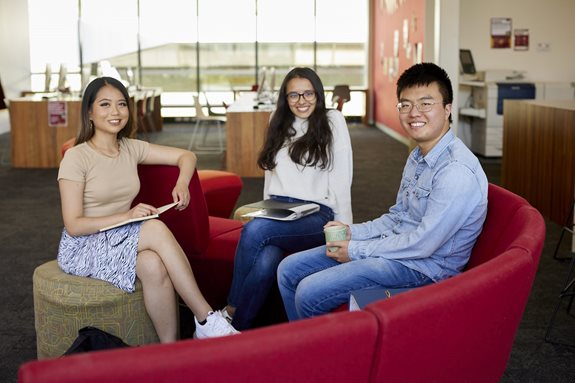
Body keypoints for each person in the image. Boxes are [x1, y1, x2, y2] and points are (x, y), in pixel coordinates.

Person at [277, 62, 488, 320]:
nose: (414, 113)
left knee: (309, 291)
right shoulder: (418, 156)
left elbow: (424, 245)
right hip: (398, 251)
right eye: (405, 104)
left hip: (423, 269)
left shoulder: (455, 171)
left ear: (447, 109)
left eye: (426, 103)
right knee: (288, 268)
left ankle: (318, 355)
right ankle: (299, 347)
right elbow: (397, 217)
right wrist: (352, 231)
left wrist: (355, 249)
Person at [57, 76, 239, 342]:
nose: (115, 112)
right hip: (84, 245)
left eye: (121, 104)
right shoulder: (77, 157)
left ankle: (170, 350)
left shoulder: (130, 148)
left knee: (153, 264)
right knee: (153, 226)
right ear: (90, 113)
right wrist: (128, 216)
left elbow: (186, 156)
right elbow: (74, 224)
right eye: (105, 105)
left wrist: (182, 183)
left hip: (119, 236)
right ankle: (206, 319)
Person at [220, 67, 353, 330]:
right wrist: (264, 207)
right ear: (285, 97)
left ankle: (230, 308)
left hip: (317, 213)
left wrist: (343, 233)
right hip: (279, 208)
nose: (301, 101)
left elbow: (342, 177)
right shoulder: (277, 120)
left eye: (308, 94)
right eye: (294, 95)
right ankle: (236, 330)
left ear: (318, 93)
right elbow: (270, 171)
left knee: (256, 230)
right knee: (267, 258)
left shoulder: (333, 119)